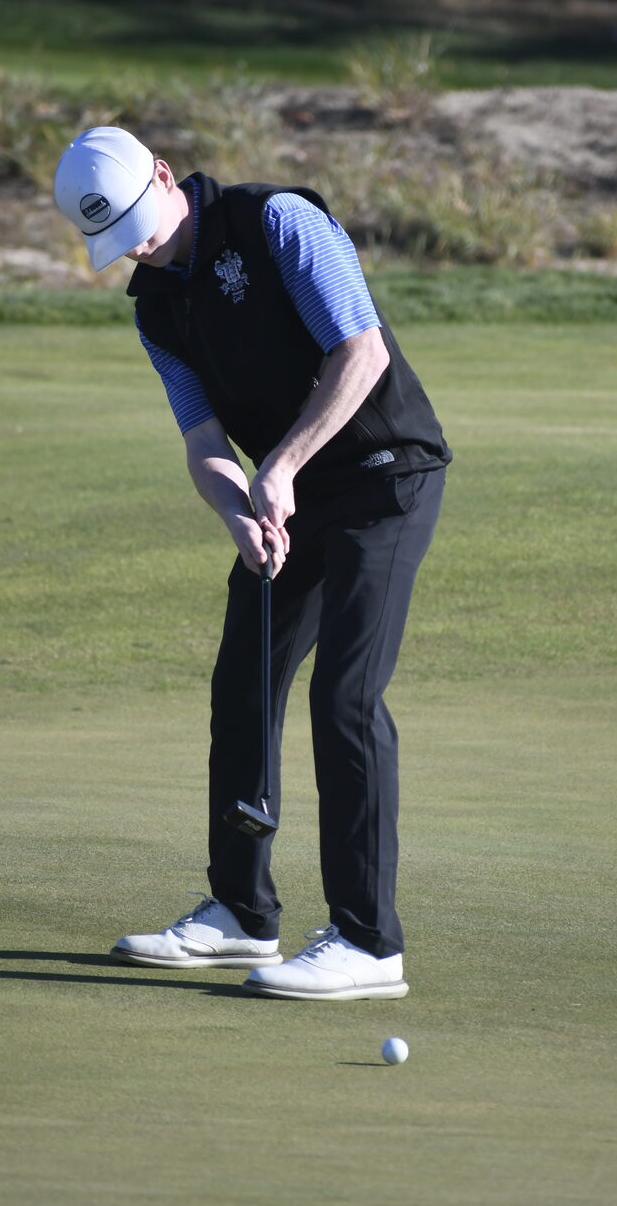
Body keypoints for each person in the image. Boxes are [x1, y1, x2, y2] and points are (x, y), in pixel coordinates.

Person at [53, 126, 451, 1000]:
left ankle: (368, 943)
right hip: (291, 495)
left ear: (164, 175)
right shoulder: (155, 305)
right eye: (118, 246)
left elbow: (362, 353)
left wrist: (281, 465)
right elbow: (202, 441)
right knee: (244, 680)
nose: (139, 252)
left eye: (139, 228)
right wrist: (239, 509)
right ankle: (241, 912)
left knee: (344, 694)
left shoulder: (277, 221)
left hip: (387, 473)